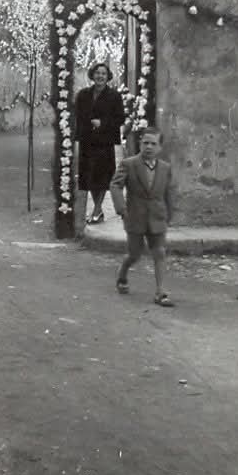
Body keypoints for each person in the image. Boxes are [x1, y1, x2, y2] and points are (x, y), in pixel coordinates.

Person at [110, 126, 175, 307]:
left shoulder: (165, 168)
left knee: (160, 252)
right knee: (134, 254)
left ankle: (160, 292)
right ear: (140, 144)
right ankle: (122, 273)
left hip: (157, 217)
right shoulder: (129, 164)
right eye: (145, 143)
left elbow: (168, 192)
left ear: (160, 147)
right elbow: (115, 186)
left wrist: (169, 214)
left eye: (153, 144)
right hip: (135, 216)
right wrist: (122, 209)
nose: (148, 147)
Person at [74, 62, 125, 224]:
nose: (100, 76)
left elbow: (120, 119)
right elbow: (78, 116)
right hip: (87, 141)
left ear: (108, 76)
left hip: (105, 142)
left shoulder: (114, 96)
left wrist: (102, 123)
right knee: (90, 176)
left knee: (102, 176)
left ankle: (96, 210)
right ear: (92, 75)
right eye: (97, 73)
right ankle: (98, 209)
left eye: (103, 73)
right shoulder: (83, 95)